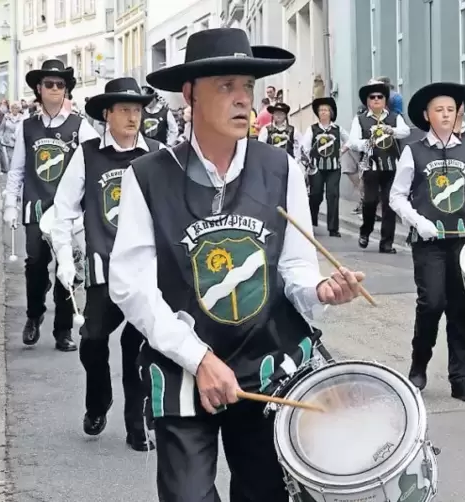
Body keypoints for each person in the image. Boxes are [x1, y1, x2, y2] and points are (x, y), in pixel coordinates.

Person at [108, 28, 365, 501]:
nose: (243, 99)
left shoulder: (282, 168)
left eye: (247, 87)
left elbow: (296, 268)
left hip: (269, 371)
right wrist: (199, 359)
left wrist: (320, 291)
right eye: (226, 86)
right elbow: (131, 287)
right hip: (185, 370)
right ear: (190, 95)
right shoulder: (146, 177)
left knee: (265, 495)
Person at [51, 77, 160, 450]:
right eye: (125, 110)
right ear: (107, 114)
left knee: (138, 345)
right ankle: (99, 401)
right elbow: (62, 210)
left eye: (137, 109)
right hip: (104, 269)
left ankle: (137, 426)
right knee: (92, 341)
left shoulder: (158, 154)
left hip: (148, 272)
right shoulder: (88, 154)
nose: (133, 117)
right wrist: (65, 256)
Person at [390, 82, 465, 402]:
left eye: (450, 110)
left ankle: (460, 377)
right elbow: (396, 197)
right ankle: (418, 366)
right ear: (427, 115)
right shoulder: (413, 151)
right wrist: (419, 222)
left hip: (464, 240)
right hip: (428, 241)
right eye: (439, 110)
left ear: (458, 115)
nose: (445, 115)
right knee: (431, 303)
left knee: (459, 307)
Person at [3, 59, 98, 350]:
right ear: (39, 89)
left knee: (66, 269)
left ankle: (63, 330)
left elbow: (96, 164)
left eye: (60, 84)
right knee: (34, 265)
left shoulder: (79, 127)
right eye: (49, 84)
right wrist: (9, 202)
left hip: (66, 212)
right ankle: (34, 315)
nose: (55, 88)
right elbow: (18, 168)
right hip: (35, 207)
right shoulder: (26, 127)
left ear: (66, 89)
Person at [348, 80, 411, 254]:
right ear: (367, 101)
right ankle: (366, 231)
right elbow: (353, 141)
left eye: (380, 97)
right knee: (370, 201)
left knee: (389, 205)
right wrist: (366, 144)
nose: (376, 100)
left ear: (385, 100)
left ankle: (386, 243)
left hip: (391, 167)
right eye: (372, 97)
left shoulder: (393, 117)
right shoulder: (360, 119)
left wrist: (392, 130)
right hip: (371, 166)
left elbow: (406, 131)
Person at [301, 96, 349, 236]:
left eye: (326, 110)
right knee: (315, 194)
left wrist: (342, 150)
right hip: (316, 167)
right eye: (321, 110)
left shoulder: (338, 129)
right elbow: (305, 146)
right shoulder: (312, 129)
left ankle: (333, 229)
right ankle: (311, 219)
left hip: (334, 167)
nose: (323, 112)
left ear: (331, 113)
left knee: (333, 195)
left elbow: (350, 141)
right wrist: (307, 160)